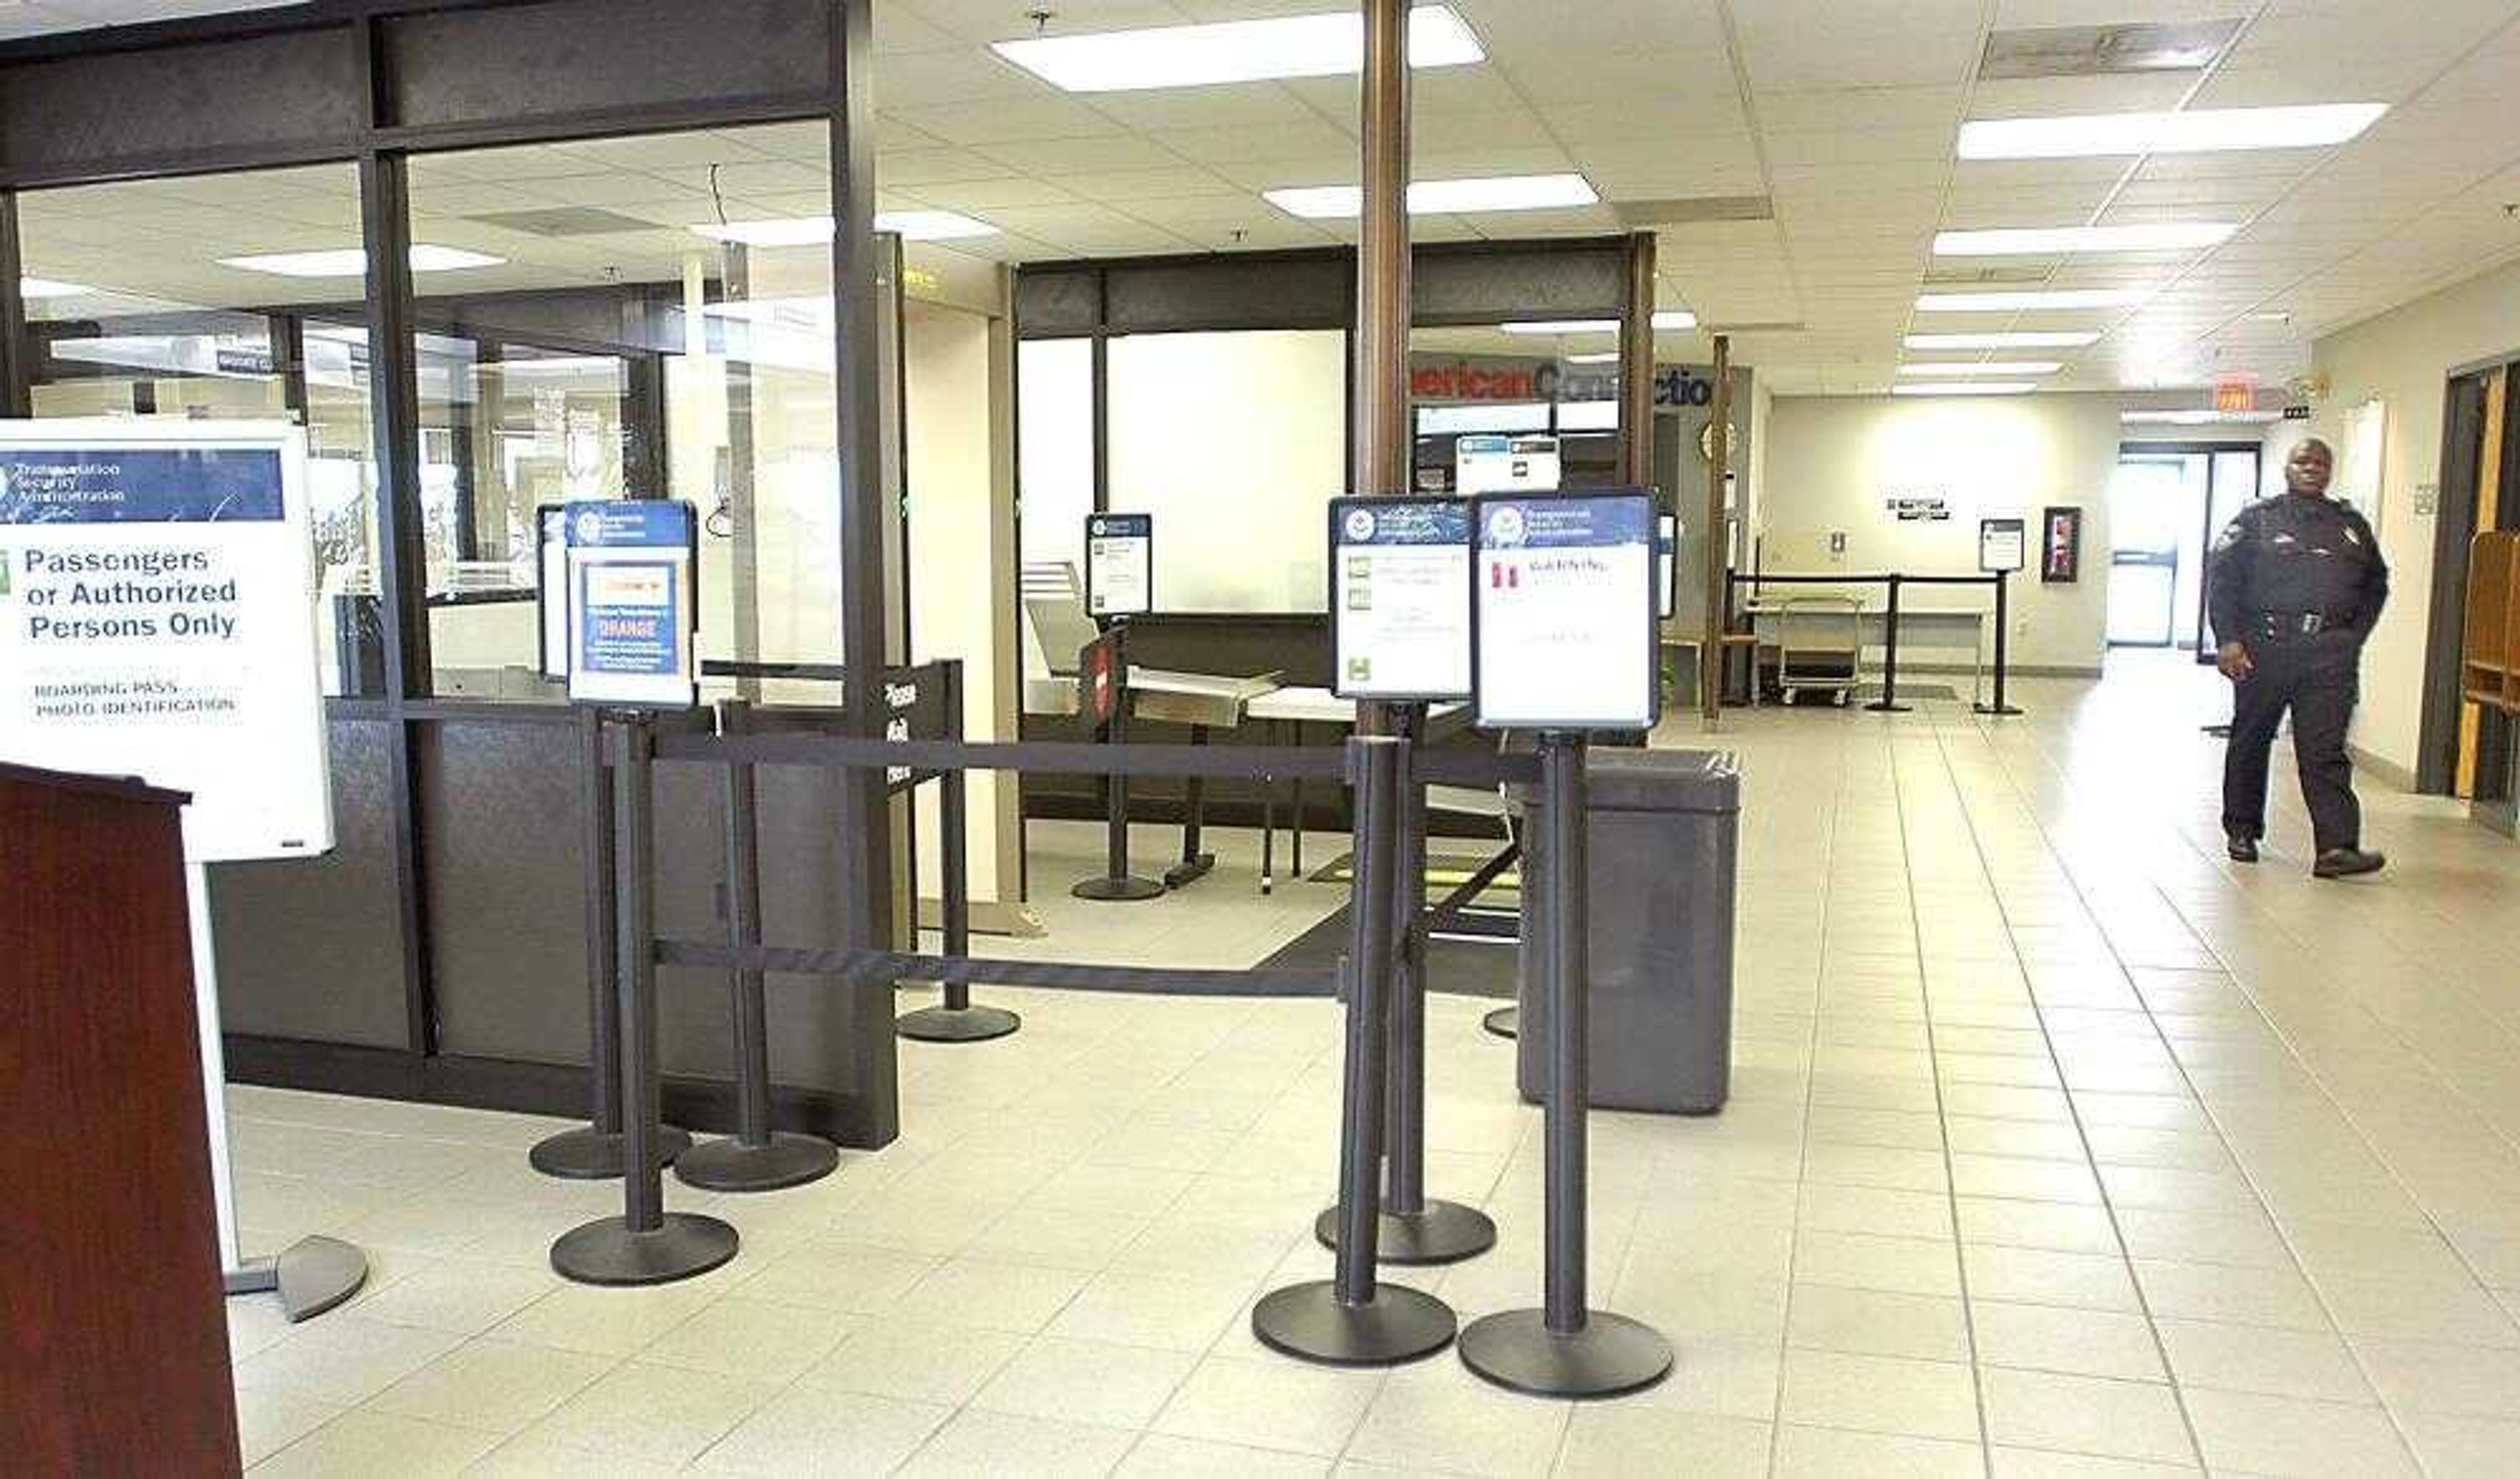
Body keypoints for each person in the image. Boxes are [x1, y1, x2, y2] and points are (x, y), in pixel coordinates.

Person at [2206, 437, 2389, 878]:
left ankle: (2337, 848)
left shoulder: (2350, 525)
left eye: (2320, 462)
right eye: (2302, 461)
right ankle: (2242, 830)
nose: (2312, 468)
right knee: (2252, 739)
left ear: (2330, 470)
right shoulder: (2257, 521)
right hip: (2264, 647)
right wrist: (2228, 639)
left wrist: (2351, 638)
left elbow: (2376, 585)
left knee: (2325, 750)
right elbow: (2222, 579)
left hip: (2329, 654)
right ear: (2287, 469)